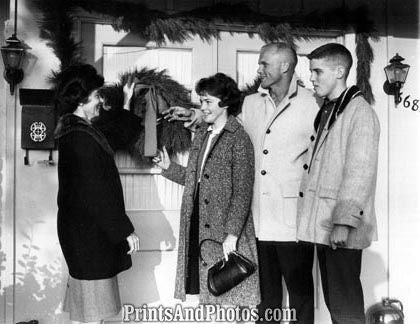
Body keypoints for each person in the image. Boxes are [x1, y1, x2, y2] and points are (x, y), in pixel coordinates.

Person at [165, 43, 320, 323]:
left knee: (300, 296)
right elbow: (221, 120)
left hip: (293, 221)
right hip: (256, 221)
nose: (258, 70)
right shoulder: (251, 103)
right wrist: (194, 114)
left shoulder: (313, 104)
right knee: (266, 298)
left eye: (264, 64)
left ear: (285, 66)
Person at [153, 73, 260, 314]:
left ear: (225, 103)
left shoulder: (239, 139)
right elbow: (198, 180)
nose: (202, 108)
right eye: (202, 101)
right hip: (201, 223)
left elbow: (243, 191)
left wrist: (232, 234)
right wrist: (169, 169)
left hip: (225, 230)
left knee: (229, 296)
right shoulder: (203, 133)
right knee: (211, 295)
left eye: (208, 102)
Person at [297, 43, 380, 323]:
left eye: (318, 71)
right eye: (311, 72)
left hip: (340, 227)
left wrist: (343, 222)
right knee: (336, 301)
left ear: (340, 71)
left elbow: (360, 171)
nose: (312, 78)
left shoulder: (360, 112)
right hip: (327, 226)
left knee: (345, 304)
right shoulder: (332, 110)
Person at [54, 64, 140, 324]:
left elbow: (114, 135)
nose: (101, 101)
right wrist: (125, 230)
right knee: (93, 315)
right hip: (88, 238)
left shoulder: (79, 130)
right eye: (96, 96)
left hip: (84, 235)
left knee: (87, 313)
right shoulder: (81, 138)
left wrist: (126, 100)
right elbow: (97, 193)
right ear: (82, 101)